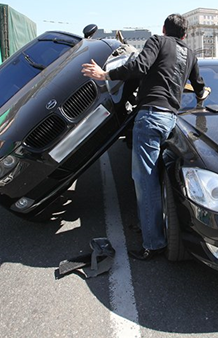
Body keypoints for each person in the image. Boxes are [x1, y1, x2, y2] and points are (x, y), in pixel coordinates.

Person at [81, 14, 209, 261]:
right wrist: (202, 98)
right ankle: (158, 229)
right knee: (160, 179)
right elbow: (200, 86)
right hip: (171, 120)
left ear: (164, 29)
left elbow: (139, 67)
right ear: (185, 35)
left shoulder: (157, 42)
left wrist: (105, 74)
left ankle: (153, 243)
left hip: (150, 116)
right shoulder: (191, 54)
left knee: (145, 181)